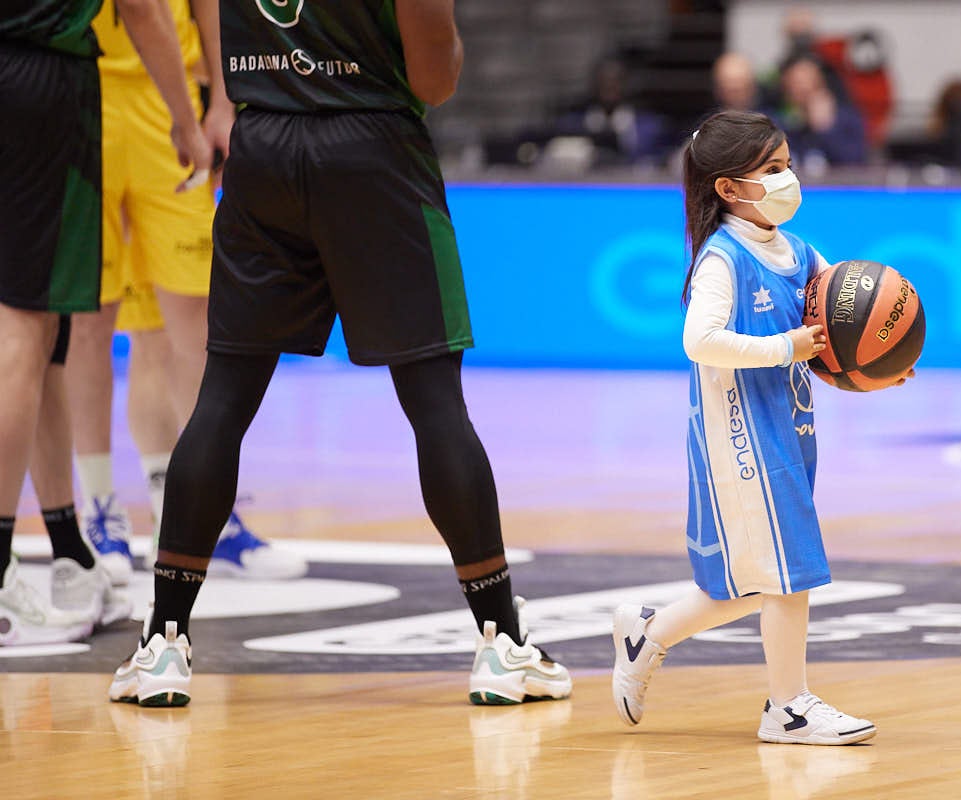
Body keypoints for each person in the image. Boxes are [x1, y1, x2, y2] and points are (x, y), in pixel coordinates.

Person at [108, 0, 571, 708]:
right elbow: (434, 79)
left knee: (222, 399)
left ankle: (163, 645)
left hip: (262, 144)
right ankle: (502, 643)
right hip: (373, 148)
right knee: (434, 403)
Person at [611, 110, 895, 745]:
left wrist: (877, 366)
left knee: (757, 579)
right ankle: (788, 708)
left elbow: (841, 329)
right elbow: (699, 341)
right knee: (789, 569)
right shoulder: (722, 259)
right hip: (739, 436)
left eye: (787, 164)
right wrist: (785, 346)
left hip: (789, 428)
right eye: (771, 168)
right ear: (728, 187)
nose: (787, 178)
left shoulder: (800, 251)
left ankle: (647, 633)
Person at [64, 0, 307, 587]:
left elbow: (211, 8)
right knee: (91, 320)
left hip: (166, 102)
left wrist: (223, 103)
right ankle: (101, 514)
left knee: (188, 324)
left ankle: (202, 514)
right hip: (79, 98)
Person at [0, 0, 209, 645]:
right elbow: (142, 7)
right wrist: (186, 120)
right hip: (43, 85)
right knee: (25, 332)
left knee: (48, 335)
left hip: (34, 78)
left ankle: (71, 548)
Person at [775, 54, 868, 168]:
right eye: (796, 83)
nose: (804, 88)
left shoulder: (847, 119)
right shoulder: (777, 123)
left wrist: (825, 129)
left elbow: (854, 164)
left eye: (809, 81)